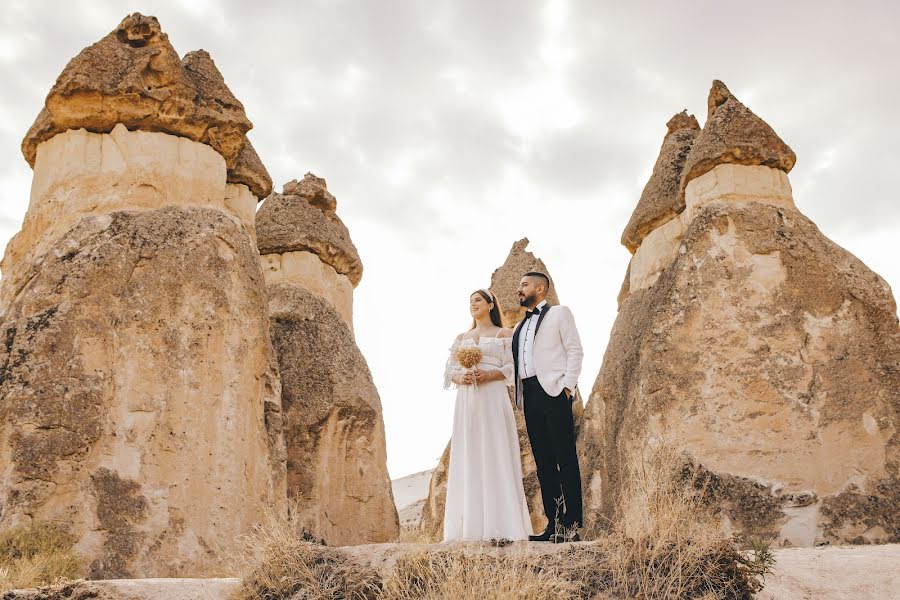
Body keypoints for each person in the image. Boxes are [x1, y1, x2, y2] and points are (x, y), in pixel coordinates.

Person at [441, 289, 533, 542]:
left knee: (495, 451)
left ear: (491, 304)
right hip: (468, 399)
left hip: (493, 397)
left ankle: (502, 526)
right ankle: (469, 528)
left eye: (478, 300)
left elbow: (513, 368)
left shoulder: (504, 335)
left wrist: (489, 375)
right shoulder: (463, 337)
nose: (473, 304)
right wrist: (462, 376)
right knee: (470, 453)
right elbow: (450, 372)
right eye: (470, 301)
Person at [512, 272, 584, 542]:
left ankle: (572, 525)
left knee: (565, 460)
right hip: (529, 395)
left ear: (540, 288)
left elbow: (575, 350)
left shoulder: (560, 314)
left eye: (524, 284)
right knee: (543, 464)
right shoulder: (520, 327)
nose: (519, 289)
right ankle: (553, 524)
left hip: (554, 391)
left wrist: (568, 387)